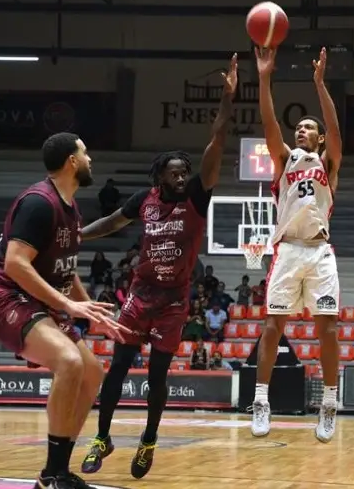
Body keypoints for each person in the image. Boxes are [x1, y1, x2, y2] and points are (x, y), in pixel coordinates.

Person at [77, 54, 237, 479]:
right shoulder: (144, 201)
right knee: (116, 370)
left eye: (186, 170)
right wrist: (78, 236)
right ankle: (102, 437)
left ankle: (148, 441)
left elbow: (217, 142)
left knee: (157, 376)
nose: (183, 175)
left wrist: (227, 99)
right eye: (175, 172)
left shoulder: (197, 198)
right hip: (140, 296)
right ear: (160, 177)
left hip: (173, 302)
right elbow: (112, 222)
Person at [0, 132, 127, 489]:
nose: (91, 160)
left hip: (40, 302)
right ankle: (53, 474)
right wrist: (66, 304)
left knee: (92, 374)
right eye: (86, 154)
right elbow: (15, 263)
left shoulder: (71, 206)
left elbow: (65, 266)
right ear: (72, 161)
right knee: (70, 361)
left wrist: (86, 306)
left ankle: (55, 473)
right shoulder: (38, 203)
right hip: (5, 297)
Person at [250, 47, 342, 443]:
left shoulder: (329, 163)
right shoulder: (284, 160)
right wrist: (265, 76)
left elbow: (337, 133)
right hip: (287, 250)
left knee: (329, 331)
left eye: (309, 127)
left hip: (320, 251)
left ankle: (330, 403)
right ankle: (260, 400)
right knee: (273, 328)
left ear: (319, 138)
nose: (301, 130)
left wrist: (320, 84)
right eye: (299, 127)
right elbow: (269, 120)